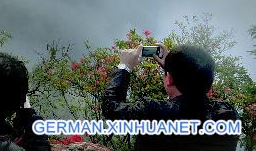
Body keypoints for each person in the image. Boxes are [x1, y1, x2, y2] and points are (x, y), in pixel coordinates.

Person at [101, 43, 239, 151]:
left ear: (169, 80)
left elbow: (111, 108)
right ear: (209, 83)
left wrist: (124, 67)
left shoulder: (153, 111)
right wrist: (173, 69)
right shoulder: (228, 114)